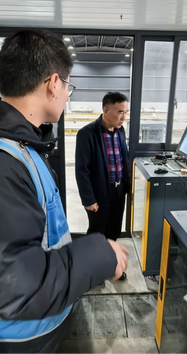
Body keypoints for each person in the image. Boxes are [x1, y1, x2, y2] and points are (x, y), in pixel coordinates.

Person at [0, 30, 129, 354]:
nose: (67, 95)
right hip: (8, 342)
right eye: (68, 86)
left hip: (28, 331)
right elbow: (10, 283)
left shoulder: (22, 147)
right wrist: (97, 255)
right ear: (54, 84)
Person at [75, 92, 130, 281]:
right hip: (99, 193)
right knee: (97, 233)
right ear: (106, 110)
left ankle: (110, 266)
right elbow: (82, 170)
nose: (124, 117)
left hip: (118, 191)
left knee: (113, 231)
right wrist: (88, 199)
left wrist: (127, 187)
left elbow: (124, 159)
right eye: (120, 112)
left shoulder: (121, 131)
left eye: (125, 112)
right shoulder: (87, 133)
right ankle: (93, 270)